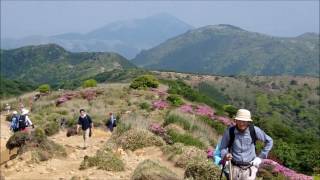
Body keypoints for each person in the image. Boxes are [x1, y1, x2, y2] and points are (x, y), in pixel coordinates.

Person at [219, 109, 273, 180]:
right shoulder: (230, 131)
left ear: (248, 122)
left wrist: (260, 157)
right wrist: (225, 155)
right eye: (239, 121)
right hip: (234, 168)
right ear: (236, 120)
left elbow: (269, 141)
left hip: (250, 168)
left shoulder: (254, 130)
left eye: (244, 121)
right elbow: (223, 147)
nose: (241, 123)